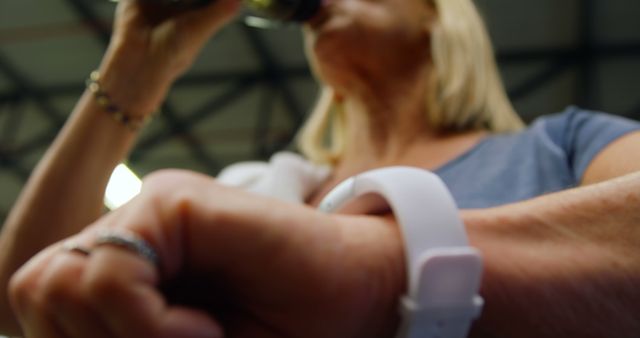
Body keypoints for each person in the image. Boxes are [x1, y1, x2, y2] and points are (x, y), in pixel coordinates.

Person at [1, 0, 639, 337]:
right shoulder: (256, 191)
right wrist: (134, 67)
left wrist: (378, 269)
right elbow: (18, 300)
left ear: (440, 17)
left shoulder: (560, 144)